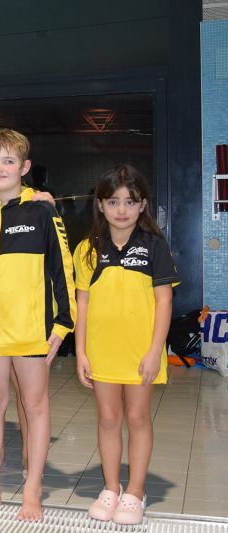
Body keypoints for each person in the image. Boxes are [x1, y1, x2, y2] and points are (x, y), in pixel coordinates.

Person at [0, 129, 75, 521]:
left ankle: (32, 488)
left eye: (8, 161)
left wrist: (63, 325)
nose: (0, 169)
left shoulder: (42, 211)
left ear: (24, 167)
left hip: (30, 328)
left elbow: (63, 268)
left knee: (35, 405)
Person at [74, 165, 177, 526]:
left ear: (142, 205)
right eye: (113, 201)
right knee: (107, 418)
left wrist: (155, 351)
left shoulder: (154, 245)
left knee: (137, 417)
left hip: (139, 352)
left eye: (130, 202)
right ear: (100, 205)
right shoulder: (87, 249)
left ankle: (135, 491)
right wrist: (81, 352)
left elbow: (164, 301)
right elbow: (82, 302)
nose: (121, 209)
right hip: (102, 350)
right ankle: (111, 488)